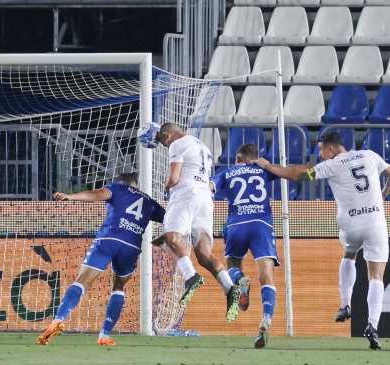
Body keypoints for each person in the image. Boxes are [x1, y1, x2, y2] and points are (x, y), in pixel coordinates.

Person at [254, 131, 390, 349]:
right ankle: (372, 326)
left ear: (332, 148)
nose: (321, 156)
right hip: (375, 221)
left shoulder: (333, 165)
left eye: (322, 151)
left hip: (350, 224)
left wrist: (269, 166)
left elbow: (297, 174)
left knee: (349, 253)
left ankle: (345, 304)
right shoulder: (370, 155)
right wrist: (383, 194)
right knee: (376, 276)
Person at [35, 173, 165, 346]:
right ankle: (104, 335)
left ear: (120, 183)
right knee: (118, 286)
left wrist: (70, 196)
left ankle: (57, 320)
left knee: (82, 280)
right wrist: (165, 239)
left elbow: (96, 194)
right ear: (136, 185)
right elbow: (172, 219)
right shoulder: (149, 201)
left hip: (109, 239)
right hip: (131, 247)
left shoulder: (117, 188)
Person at [155, 123, 243, 322]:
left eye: (163, 141)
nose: (164, 145)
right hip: (205, 199)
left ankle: (190, 276)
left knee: (170, 237)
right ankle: (230, 288)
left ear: (168, 135)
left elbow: (175, 178)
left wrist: (165, 186)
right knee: (204, 254)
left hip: (186, 194)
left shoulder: (177, 144)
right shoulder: (203, 146)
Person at [211, 144, 279, 348]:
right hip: (261, 225)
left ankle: (240, 280)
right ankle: (266, 318)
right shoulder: (263, 170)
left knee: (232, 264)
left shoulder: (228, 171)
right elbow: (286, 172)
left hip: (236, 224)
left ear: (238, 159)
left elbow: (210, 187)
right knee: (266, 274)